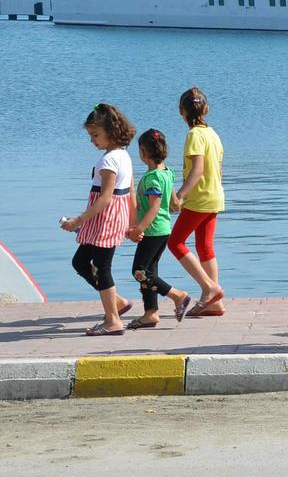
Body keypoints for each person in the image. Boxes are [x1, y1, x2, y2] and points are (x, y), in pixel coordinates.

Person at [60, 103, 137, 335]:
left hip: (104, 220)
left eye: (95, 135)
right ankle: (119, 303)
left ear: (111, 131)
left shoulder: (108, 161)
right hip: (114, 218)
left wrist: (78, 220)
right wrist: (133, 223)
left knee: (102, 267)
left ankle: (113, 320)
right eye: (90, 135)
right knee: (81, 262)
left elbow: (105, 198)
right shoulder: (123, 155)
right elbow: (131, 192)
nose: (92, 140)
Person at [168, 87, 226, 316]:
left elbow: (198, 170)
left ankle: (210, 289)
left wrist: (180, 195)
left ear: (181, 111)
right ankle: (214, 304)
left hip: (199, 198)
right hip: (215, 195)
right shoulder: (213, 134)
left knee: (175, 242)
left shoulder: (194, 135)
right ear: (207, 109)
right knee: (205, 247)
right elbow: (218, 169)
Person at [126, 129, 192, 328]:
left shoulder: (152, 178)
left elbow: (154, 207)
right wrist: (174, 204)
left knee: (139, 271)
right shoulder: (166, 172)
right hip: (164, 230)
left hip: (153, 231)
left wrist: (139, 228)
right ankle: (150, 313)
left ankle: (177, 296)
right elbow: (174, 202)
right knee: (149, 271)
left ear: (144, 153)